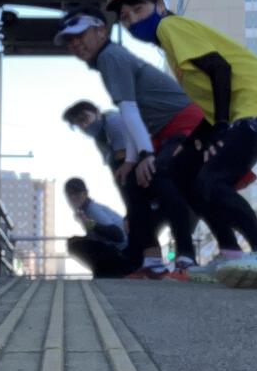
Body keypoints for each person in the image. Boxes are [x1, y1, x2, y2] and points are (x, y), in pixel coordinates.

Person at [104, 0, 257, 288]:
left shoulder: (171, 27)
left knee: (213, 178)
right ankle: (230, 253)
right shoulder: (170, 43)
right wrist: (202, 138)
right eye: (126, 19)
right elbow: (213, 98)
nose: (133, 21)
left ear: (160, 5)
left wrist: (221, 127)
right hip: (250, 108)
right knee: (180, 170)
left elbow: (220, 69)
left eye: (138, 10)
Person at [55, 14, 235, 282]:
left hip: (185, 124)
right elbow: (131, 113)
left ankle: (185, 258)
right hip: (161, 131)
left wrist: (145, 155)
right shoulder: (107, 62)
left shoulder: (110, 57)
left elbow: (127, 110)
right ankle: (152, 260)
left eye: (81, 35)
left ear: (101, 31)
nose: (76, 44)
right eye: (70, 41)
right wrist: (131, 161)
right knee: (131, 181)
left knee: (162, 177)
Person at [62, 99, 189, 280]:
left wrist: (93, 222)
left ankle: (179, 265)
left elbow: (124, 165)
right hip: (140, 178)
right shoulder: (101, 137)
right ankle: (152, 266)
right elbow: (118, 169)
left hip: (153, 172)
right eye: (79, 124)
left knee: (166, 215)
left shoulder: (114, 122)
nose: (85, 125)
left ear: (97, 112)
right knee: (147, 221)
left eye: (85, 118)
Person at [63, 177, 129, 279]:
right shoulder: (83, 211)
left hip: (123, 253)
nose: (74, 197)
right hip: (116, 251)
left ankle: (107, 274)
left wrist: (89, 223)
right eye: (70, 195)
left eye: (77, 193)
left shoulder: (92, 209)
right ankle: (102, 273)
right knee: (73, 241)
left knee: (74, 245)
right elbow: (95, 236)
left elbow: (118, 235)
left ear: (86, 193)